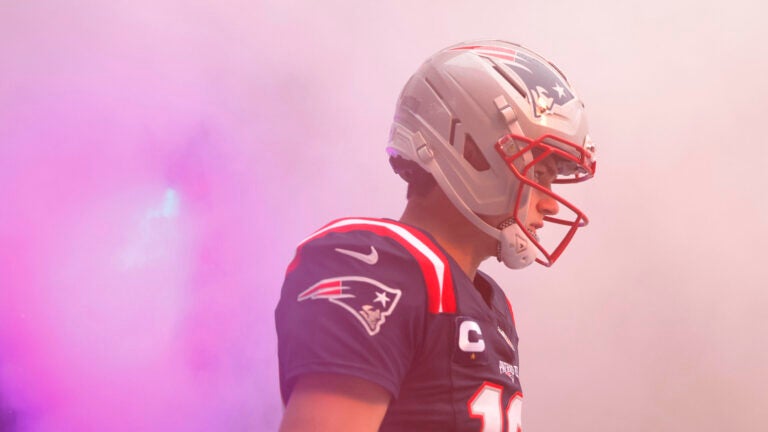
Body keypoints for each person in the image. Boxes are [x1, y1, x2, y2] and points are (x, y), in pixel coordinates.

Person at [275, 40, 597, 431]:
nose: (551, 205)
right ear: (471, 151)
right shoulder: (377, 263)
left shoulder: (491, 304)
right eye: (540, 174)